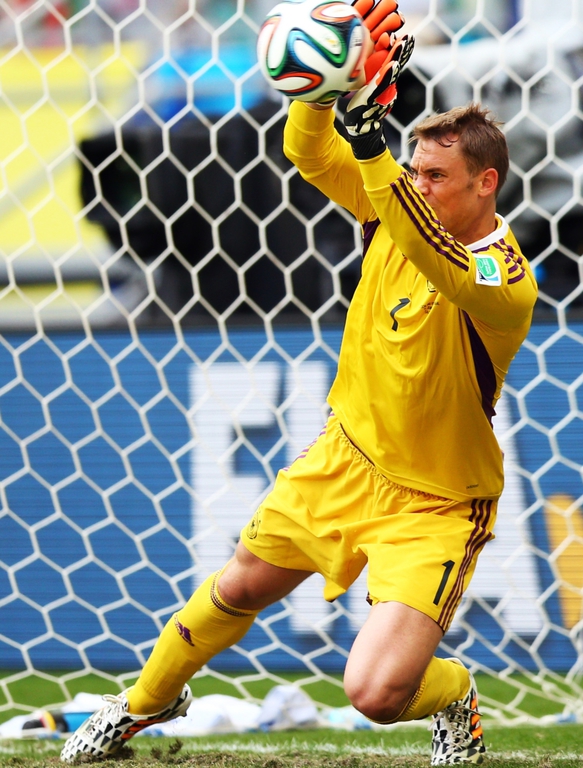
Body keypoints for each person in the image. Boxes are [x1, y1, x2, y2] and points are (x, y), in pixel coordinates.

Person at [59, 4, 537, 766]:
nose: (418, 184)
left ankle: (452, 694)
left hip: (437, 501)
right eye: (414, 170)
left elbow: (426, 248)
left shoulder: (502, 280)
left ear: (485, 183)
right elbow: (306, 154)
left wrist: (374, 146)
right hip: (343, 460)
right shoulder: (395, 208)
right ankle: (140, 706)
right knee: (239, 586)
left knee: (375, 695)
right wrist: (325, 94)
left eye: (435, 175)